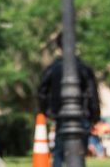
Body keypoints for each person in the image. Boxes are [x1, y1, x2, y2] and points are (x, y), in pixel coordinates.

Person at [38, 33, 102, 167]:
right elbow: (92, 94)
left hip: (61, 115)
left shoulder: (53, 68)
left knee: (59, 154)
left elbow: (42, 92)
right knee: (78, 154)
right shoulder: (83, 68)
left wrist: (48, 111)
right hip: (81, 115)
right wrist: (95, 116)